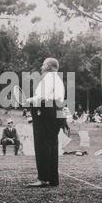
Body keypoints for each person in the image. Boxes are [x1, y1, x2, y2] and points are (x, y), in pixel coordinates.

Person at [26, 58, 67, 188]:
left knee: (42, 144)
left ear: (49, 67)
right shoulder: (58, 79)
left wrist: (27, 100)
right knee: (52, 145)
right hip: (57, 112)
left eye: (43, 64)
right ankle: (52, 179)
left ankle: (43, 178)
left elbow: (42, 97)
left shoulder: (48, 78)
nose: (41, 66)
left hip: (46, 112)